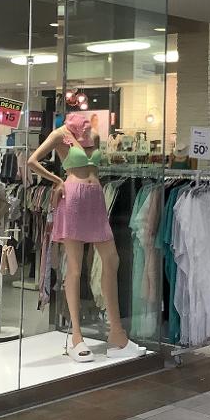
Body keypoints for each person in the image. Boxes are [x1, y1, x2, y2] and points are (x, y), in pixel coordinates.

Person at [27, 113, 144, 362]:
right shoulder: (60, 135)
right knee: (75, 268)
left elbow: (94, 167)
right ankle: (77, 337)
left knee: (111, 260)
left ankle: (116, 332)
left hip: (96, 199)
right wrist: (57, 181)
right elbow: (32, 161)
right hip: (73, 199)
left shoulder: (95, 135)